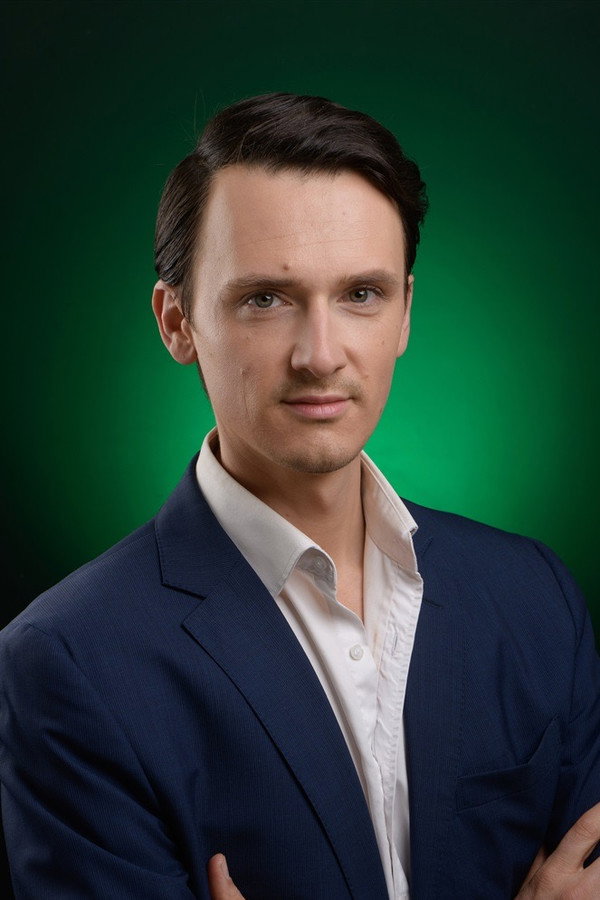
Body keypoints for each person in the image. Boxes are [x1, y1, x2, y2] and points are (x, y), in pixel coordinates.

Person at [1, 93, 599, 900]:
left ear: (406, 313)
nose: (321, 355)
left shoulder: (535, 598)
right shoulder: (66, 663)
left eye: (361, 294)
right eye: (265, 299)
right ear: (176, 322)